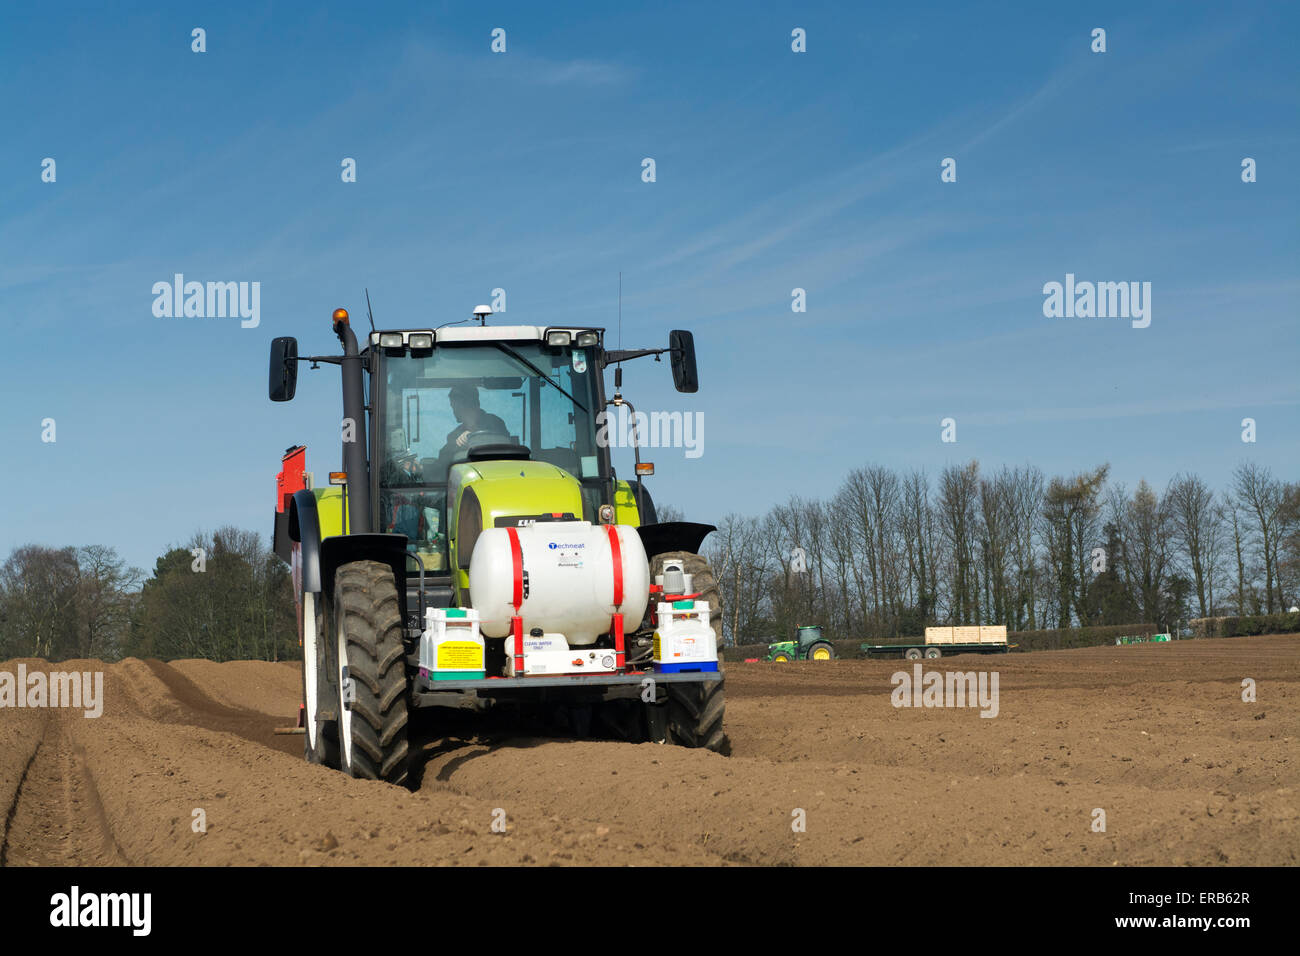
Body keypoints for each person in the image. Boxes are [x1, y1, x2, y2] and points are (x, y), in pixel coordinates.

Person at [441, 383, 509, 456]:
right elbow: (443, 461)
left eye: (454, 406)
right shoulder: (454, 436)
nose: (454, 410)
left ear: (466, 403)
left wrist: (472, 435)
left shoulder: (494, 423)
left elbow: (502, 445)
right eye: (453, 406)